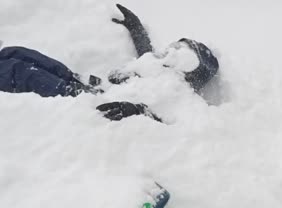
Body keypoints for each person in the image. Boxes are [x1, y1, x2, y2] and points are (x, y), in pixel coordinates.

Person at [0, 4, 219, 122]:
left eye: (179, 52)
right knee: (17, 54)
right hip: (85, 86)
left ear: (191, 68)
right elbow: (144, 49)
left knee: (20, 71)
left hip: (92, 105)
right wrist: (135, 26)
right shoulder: (155, 64)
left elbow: (173, 123)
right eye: (175, 47)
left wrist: (137, 111)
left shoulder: (179, 90)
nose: (171, 51)